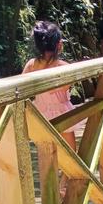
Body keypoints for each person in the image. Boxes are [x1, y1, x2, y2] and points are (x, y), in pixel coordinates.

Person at [23, 22, 76, 152]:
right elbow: (65, 87)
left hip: (40, 113)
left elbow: (22, 86)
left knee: (46, 150)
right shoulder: (64, 67)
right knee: (70, 152)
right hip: (62, 113)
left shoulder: (31, 65)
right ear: (59, 44)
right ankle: (68, 173)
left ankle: (50, 172)